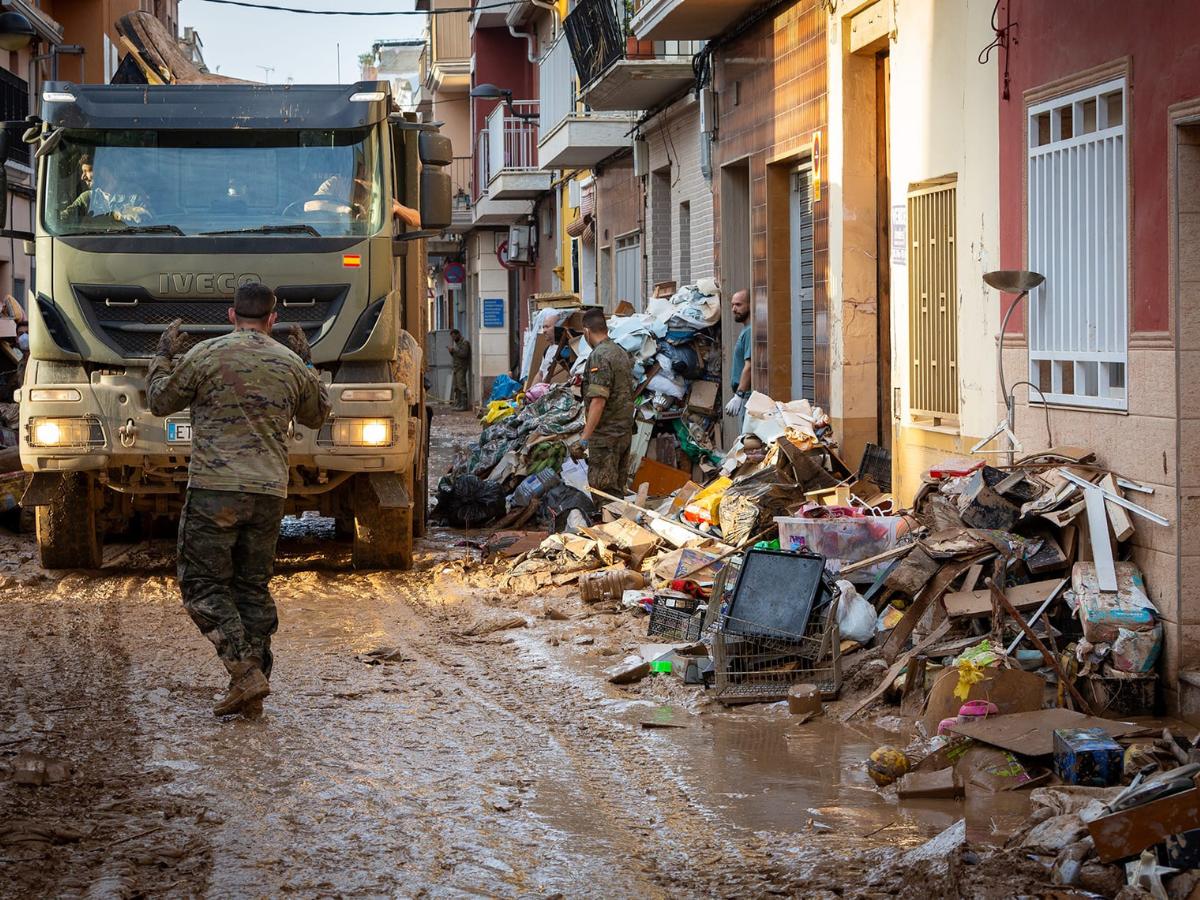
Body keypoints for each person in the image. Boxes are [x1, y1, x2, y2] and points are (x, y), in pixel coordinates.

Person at [146, 283, 331, 718]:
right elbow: (316, 413)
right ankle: (253, 690)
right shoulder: (288, 362)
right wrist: (307, 361)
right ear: (272, 320)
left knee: (203, 586)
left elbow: (158, 401)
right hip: (268, 494)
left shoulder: (206, 355)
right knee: (251, 588)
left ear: (232, 316)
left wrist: (163, 355)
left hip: (214, 490)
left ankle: (243, 671)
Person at [577, 308, 635, 501]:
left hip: (606, 438)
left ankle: (605, 530)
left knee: (604, 494)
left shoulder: (599, 356)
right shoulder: (620, 352)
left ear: (586, 331)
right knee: (617, 493)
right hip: (623, 433)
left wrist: (584, 438)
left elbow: (598, 401)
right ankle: (617, 529)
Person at [724, 289, 752, 423]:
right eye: (732, 305)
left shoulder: (750, 331)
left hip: (747, 397)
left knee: (746, 440)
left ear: (750, 305)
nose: (734, 309)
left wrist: (739, 395)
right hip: (744, 396)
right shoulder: (746, 329)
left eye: (738, 305)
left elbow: (749, 366)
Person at [449, 328, 471, 411]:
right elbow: (456, 355)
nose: (453, 339)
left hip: (461, 367)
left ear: (458, 334)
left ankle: (464, 405)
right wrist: (451, 352)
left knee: (461, 385)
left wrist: (454, 350)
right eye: (452, 337)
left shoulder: (464, 343)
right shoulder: (457, 343)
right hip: (456, 367)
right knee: (456, 386)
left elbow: (464, 354)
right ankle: (458, 403)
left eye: (454, 336)